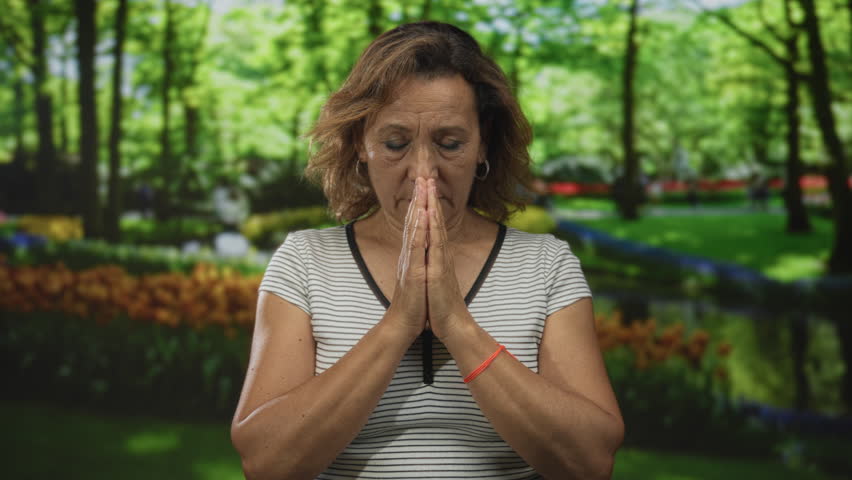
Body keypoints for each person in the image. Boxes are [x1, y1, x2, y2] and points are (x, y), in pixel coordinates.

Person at [231, 21, 623, 479]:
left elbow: (592, 461)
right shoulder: (305, 262)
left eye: (450, 143)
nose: (424, 173)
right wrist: (399, 323)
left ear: (483, 144)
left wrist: (457, 325)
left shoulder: (546, 266)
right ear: (361, 143)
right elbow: (265, 462)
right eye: (395, 143)